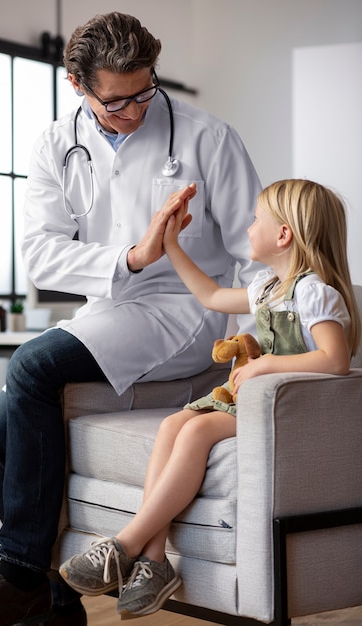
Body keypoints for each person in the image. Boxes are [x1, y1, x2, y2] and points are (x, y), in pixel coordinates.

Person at [0, 11, 262, 626]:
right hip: (109, 310)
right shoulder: (54, 144)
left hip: (185, 314)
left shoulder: (207, 137)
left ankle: (15, 576)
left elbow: (258, 254)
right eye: (116, 101)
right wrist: (131, 258)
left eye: (145, 91)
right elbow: (40, 255)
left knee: (32, 362)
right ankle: (56, 601)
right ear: (77, 85)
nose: (135, 110)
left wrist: (255, 342)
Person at [59, 178, 361, 619]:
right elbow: (212, 295)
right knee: (172, 425)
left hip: (283, 411)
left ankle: (123, 544)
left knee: (197, 429)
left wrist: (264, 365)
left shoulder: (315, 292)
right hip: (250, 400)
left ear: (283, 235)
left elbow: (335, 360)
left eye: (257, 219)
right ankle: (154, 559)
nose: (248, 227)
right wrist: (172, 245)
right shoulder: (267, 288)